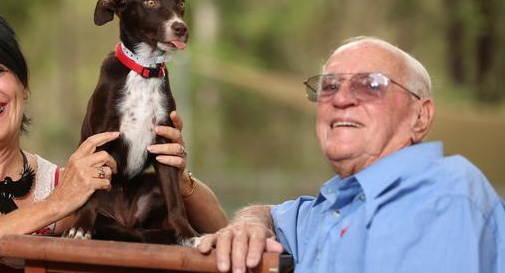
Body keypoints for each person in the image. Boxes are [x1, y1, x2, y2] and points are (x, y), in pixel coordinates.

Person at [0, 11, 227, 272]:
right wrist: (52, 207)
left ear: (23, 86)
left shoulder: (70, 186)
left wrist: (179, 182)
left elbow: (221, 232)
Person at [198, 36, 505, 273]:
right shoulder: (334, 206)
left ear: (420, 117)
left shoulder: (442, 193)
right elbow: (270, 214)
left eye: (371, 85)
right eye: (329, 86)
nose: (341, 98)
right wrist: (249, 224)